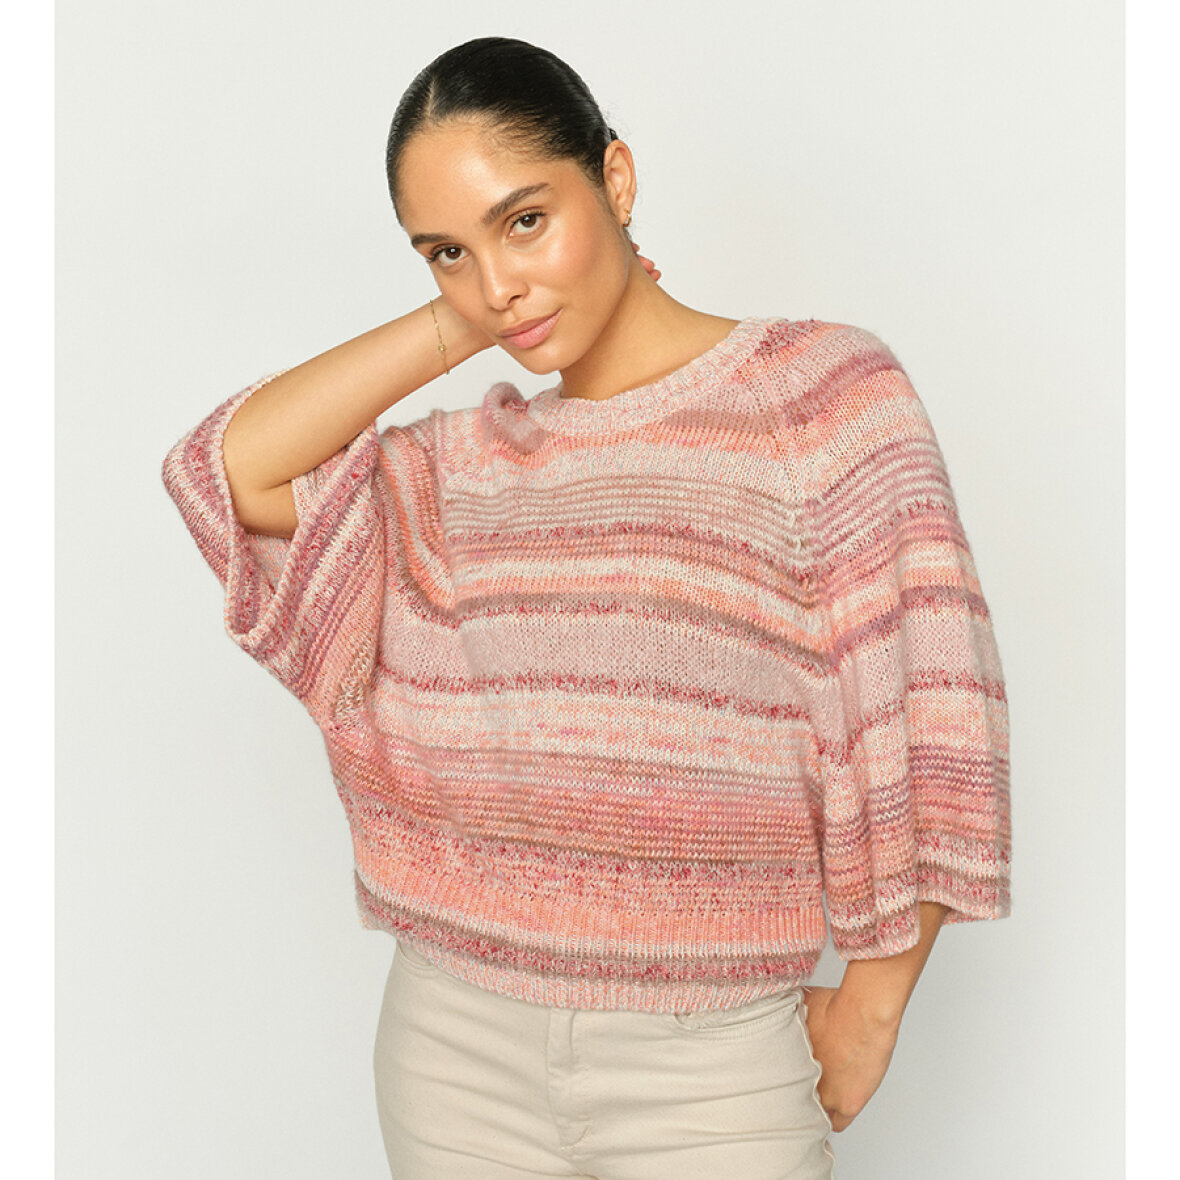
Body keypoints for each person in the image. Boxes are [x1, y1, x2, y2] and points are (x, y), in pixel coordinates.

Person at [161, 35, 1011, 1180]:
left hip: (709, 1069)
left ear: (614, 177)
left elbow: (935, 707)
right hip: (454, 1051)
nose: (495, 278)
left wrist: (871, 1008)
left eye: (524, 221)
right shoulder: (458, 466)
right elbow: (224, 473)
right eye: (446, 251)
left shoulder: (817, 401)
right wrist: (469, 317)